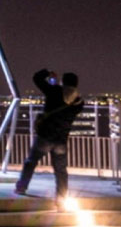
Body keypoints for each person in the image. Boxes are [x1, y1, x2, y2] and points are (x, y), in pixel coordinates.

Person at [14, 69, 83, 202]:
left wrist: (48, 74)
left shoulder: (54, 91)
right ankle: (61, 199)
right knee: (61, 171)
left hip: (44, 136)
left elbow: (37, 78)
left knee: (31, 162)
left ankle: (21, 187)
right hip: (61, 140)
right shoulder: (79, 102)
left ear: (63, 82)